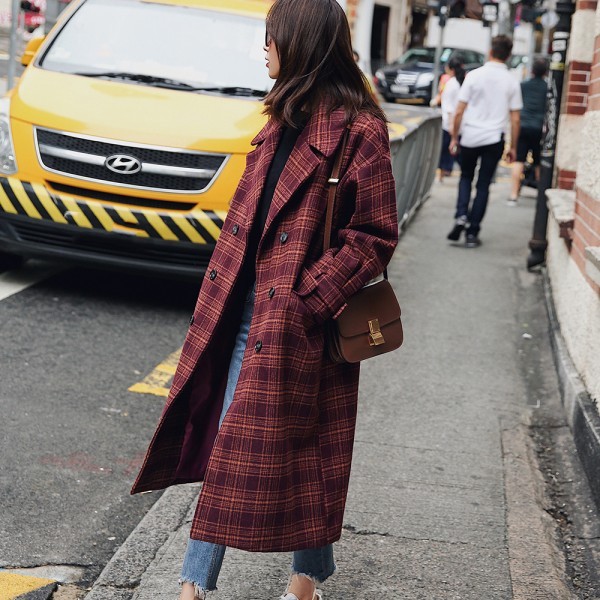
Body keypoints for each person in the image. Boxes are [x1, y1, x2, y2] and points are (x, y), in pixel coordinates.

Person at [130, 1, 399, 599]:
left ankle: (272, 582)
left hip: (302, 317)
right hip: (241, 305)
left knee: (301, 448)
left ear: (300, 43)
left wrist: (308, 301)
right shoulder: (277, 120)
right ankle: (208, 585)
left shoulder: (359, 130)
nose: (264, 49)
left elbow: (374, 236)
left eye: (272, 37)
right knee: (239, 441)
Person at [447, 35, 522, 247]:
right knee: (483, 184)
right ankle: (472, 232)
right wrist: (513, 147)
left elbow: (459, 111)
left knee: (465, 177)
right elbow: (516, 119)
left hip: (470, 136)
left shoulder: (473, 76)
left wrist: (454, 137)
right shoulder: (511, 81)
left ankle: (461, 215)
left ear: (490, 51)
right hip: (494, 138)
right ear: (508, 55)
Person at [508, 58, 548, 205]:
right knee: (538, 162)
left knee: (519, 160)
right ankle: (541, 197)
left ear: (532, 71)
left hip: (523, 126)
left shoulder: (523, 85)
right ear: (545, 72)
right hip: (538, 129)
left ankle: (513, 195)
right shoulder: (547, 88)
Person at [437, 56, 466, 181]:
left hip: (450, 124)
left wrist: (450, 125)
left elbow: (449, 108)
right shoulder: (463, 82)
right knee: (459, 152)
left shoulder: (451, 84)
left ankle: (442, 175)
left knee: (446, 151)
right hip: (462, 124)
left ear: (451, 69)